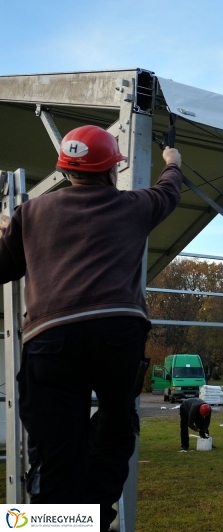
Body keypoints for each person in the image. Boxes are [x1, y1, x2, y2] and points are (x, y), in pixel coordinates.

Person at [0, 125, 183, 531]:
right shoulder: (134, 206)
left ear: (66, 170)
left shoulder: (30, 214)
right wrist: (173, 163)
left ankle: (57, 521)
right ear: (112, 170)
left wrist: (10, 233)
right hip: (118, 334)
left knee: (54, 446)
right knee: (115, 426)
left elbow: (4, 267)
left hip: (52, 338)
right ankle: (95, 517)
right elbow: (170, 191)